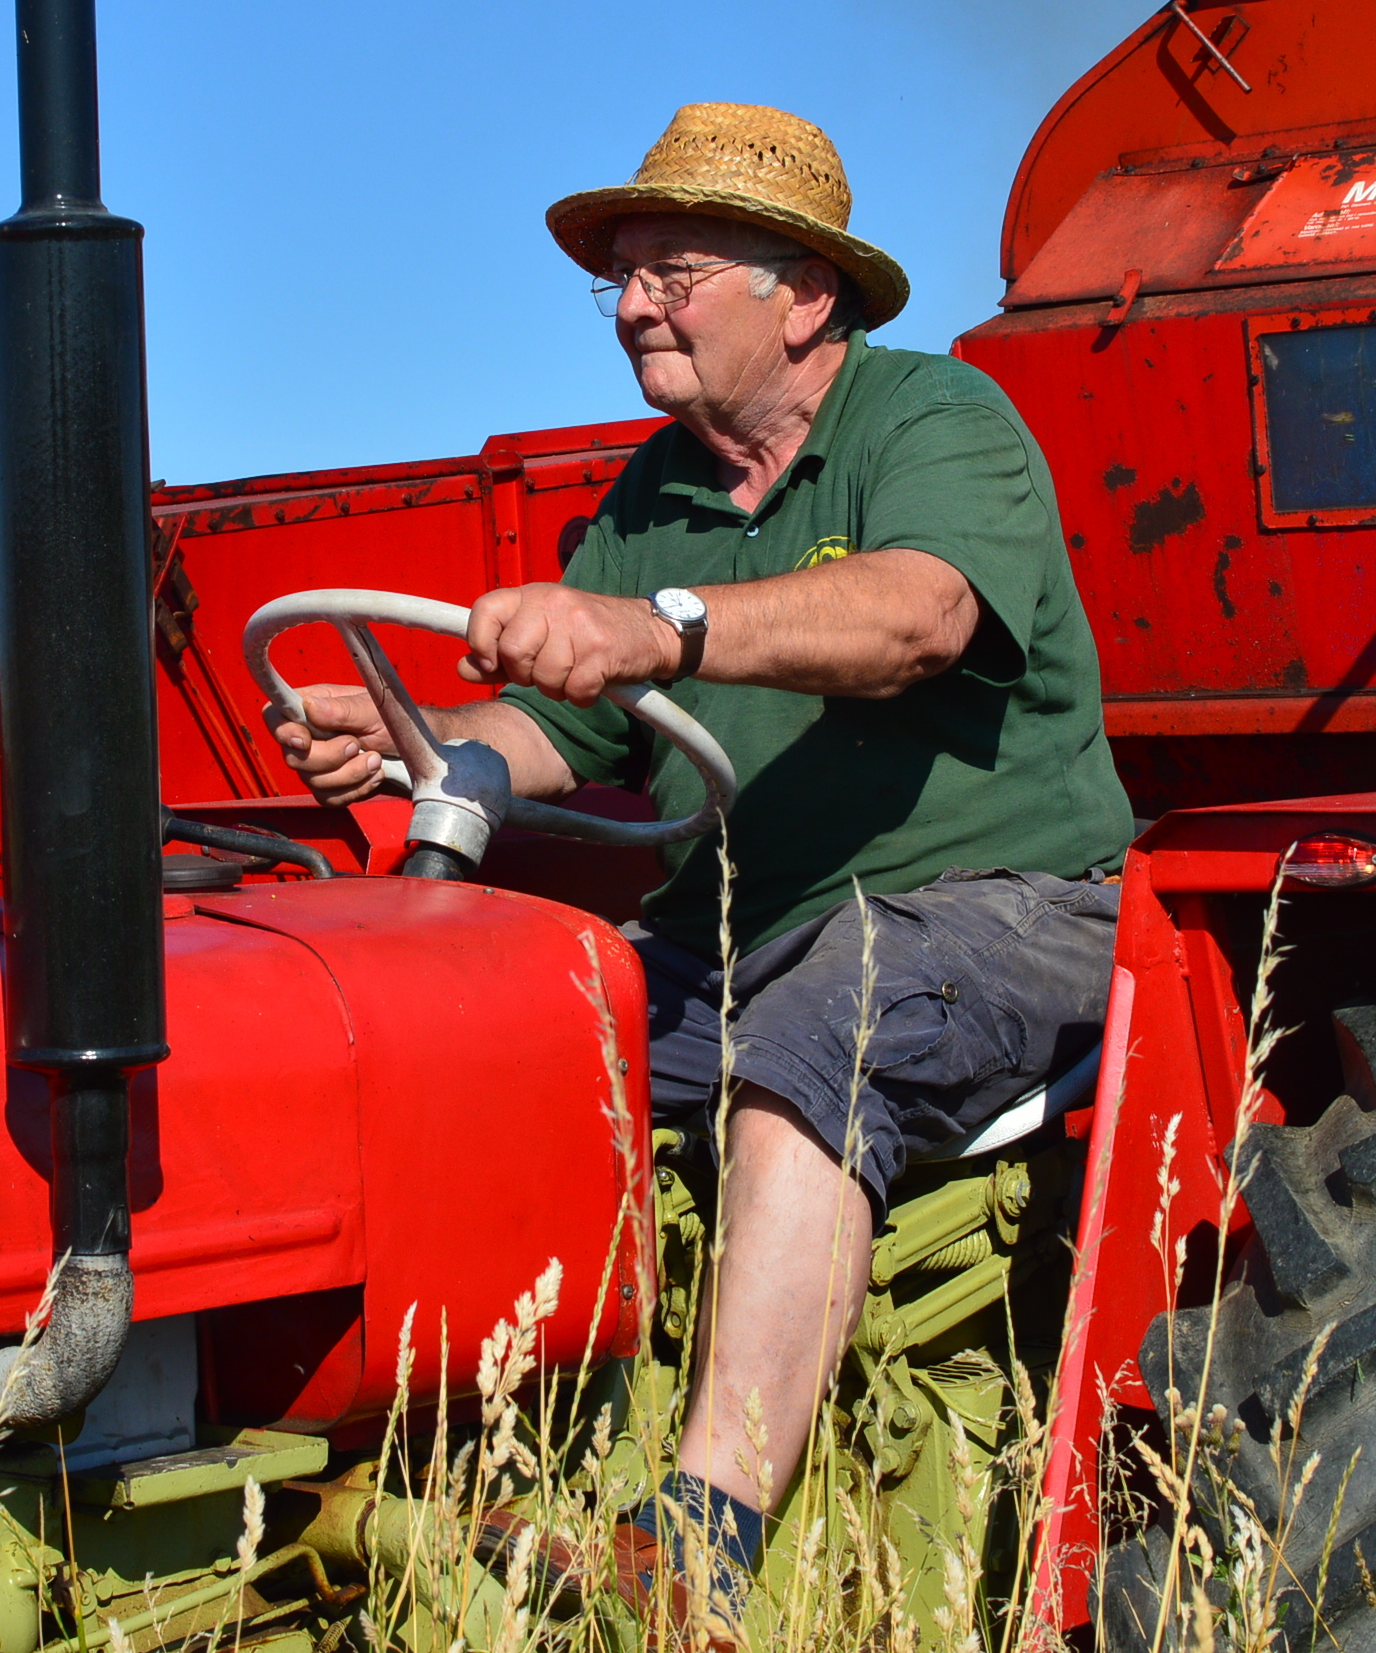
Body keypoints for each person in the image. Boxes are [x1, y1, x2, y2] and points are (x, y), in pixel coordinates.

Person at [271, 102, 1132, 1643]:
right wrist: (415, 741)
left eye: (673, 269)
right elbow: (556, 728)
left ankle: (701, 1544)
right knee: (502, 1034)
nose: (631, 306)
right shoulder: (648, 500)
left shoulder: (934, 421)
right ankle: (415, 1445)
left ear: (803, 295)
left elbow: (918, 617)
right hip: (730, 930)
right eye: (621, 279)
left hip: (1005, 908)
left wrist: (656, 628)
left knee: (827, 1019)